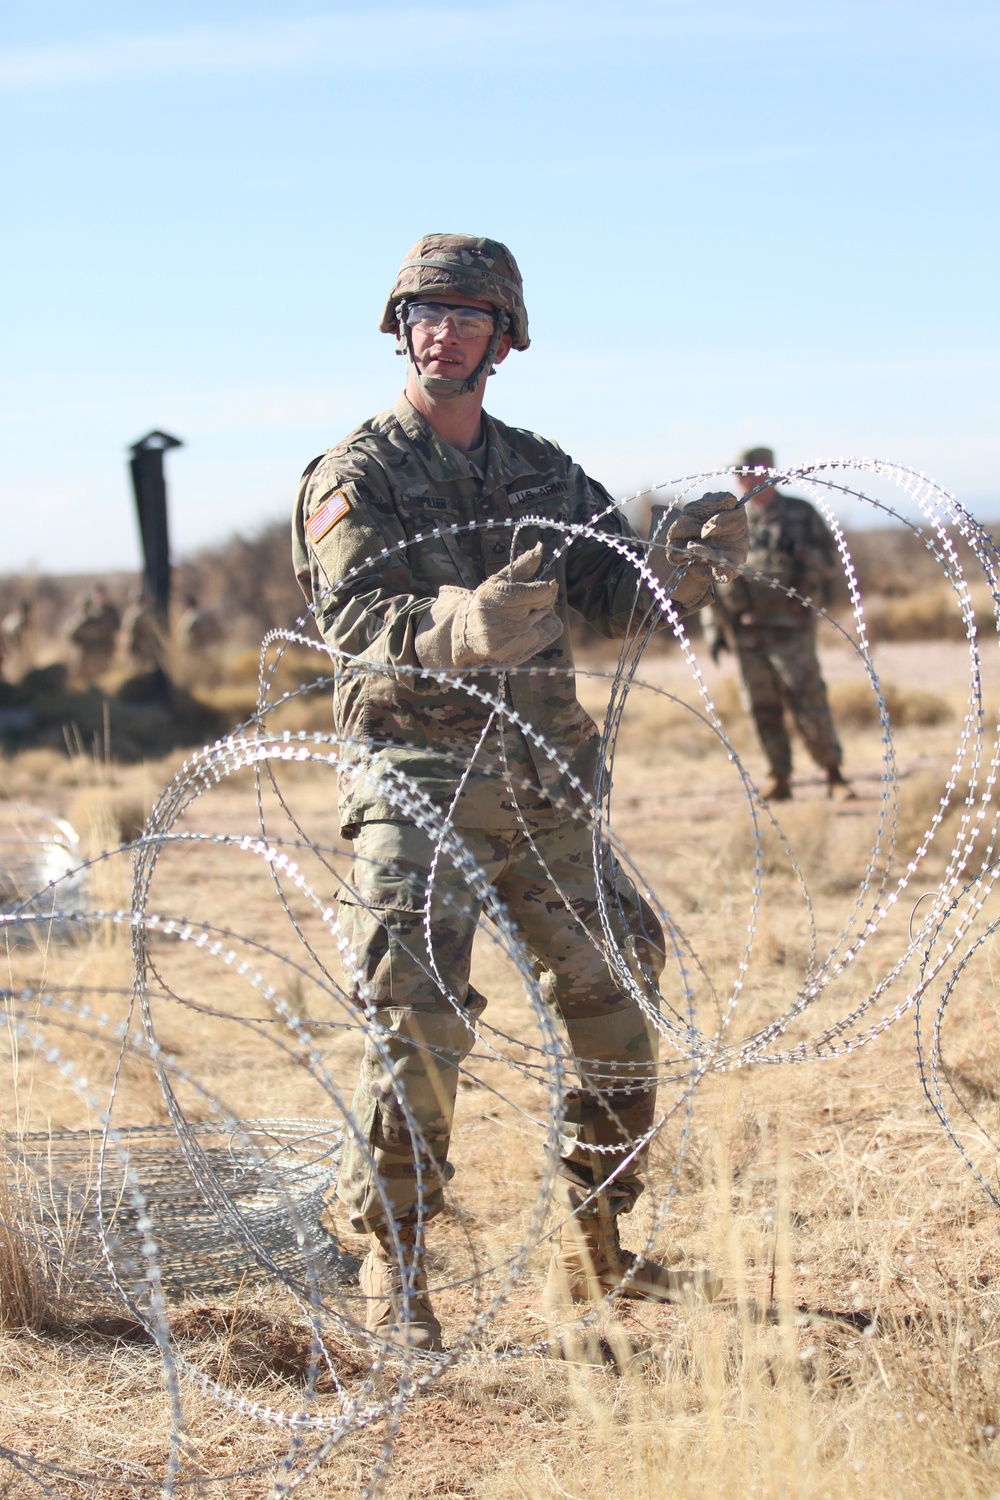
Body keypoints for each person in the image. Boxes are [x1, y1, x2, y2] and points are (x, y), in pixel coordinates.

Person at [292, 234, 747, 1351]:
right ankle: (392, 1262)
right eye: (423, 315)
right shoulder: (358, 475)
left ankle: (595, 1242)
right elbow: (350, 627)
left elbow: (616, 593)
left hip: (543, 781)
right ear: (400, 330)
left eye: (464, 316)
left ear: (505, 337)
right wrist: (454, 626)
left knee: (616, 1001)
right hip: (421, 775)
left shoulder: (542, 469)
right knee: (418, 1016)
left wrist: (676, 562)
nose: (441, 333)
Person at [704, 446, 853, 802]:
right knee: (761, 707)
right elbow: (711, 574)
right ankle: (779, 777)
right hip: (746, 630)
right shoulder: (730, 520)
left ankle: (833, 772)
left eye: (749, 471)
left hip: (790, 626)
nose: (743, 479)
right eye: (738, 473)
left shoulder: (799, 515)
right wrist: (714, 631)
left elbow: (830, 561)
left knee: (808, 700)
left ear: (768, 471)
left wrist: (799, 558)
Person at [66, 585, 121, 683]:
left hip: (103, 651)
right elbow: (71, 636)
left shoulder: (108, 612)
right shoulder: (82, 620)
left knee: (102, 677)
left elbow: (116, 627)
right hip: (85, 656)